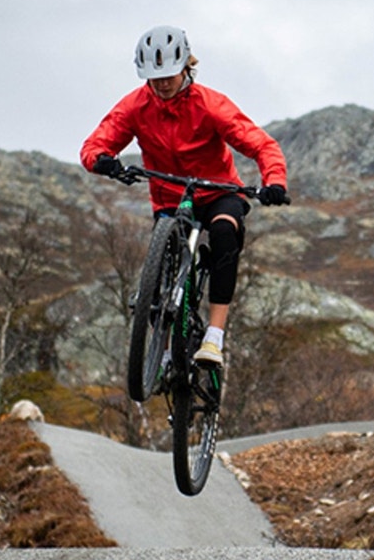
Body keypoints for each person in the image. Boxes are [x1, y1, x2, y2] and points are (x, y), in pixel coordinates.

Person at [81, 25, 289, 365]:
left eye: (169, 75)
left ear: (185, 67)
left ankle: (214, 338)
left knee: (224, 232)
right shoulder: (134, 107)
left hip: (219, 191)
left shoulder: (210, 105)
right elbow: (94, 145)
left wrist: (275, 181)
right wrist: (104, 161)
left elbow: (261, 144)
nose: (162, 83)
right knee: (160, 274)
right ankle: (163, 354)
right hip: (169, 199)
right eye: (154, 76)